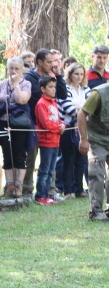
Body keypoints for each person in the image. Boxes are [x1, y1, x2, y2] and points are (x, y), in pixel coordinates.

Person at [22, 49, 68, 200]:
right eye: (49, 62)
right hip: (34, 124)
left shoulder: (51, 78)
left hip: (51, 128)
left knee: (49, 163)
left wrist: (59, 75)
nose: (52, 64)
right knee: (31, 159)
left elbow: (62, 94)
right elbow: (35, 97)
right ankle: (28, 190)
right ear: (40, 62)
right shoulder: (29, 77)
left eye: (53, 61)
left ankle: (51, 191)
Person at [0, 57, 32, 198]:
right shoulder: (1, 84)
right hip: (3, 122)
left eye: (16, 68)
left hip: (19, 124)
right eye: (11, 68)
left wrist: (16, 85)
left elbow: (21, 100)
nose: (13, 71)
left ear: (21, 70)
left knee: (19, 154)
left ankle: (18, 185)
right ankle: (9, 185)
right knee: (7, 154)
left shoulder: (26, 84)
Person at [78, 74, 109, 221]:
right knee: (97, 173)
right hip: (97, 138)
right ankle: (96, 211)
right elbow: (82, 114)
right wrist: (83, 139)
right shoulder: (99, 93)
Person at [58, 63, 90, 199]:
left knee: (81, 159)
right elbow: (69, 109)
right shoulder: (65, 89)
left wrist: (79, 109)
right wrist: (82, 110)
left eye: (81, 74)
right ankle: (68, 190)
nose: (79, 77)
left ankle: (79, 189)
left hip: (83, 128)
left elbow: (91, 110)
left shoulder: (86, 89)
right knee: (69, 160)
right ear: (70, 74)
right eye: (76, 74)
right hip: (68, 128)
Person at [34, 76, 65, 205]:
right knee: (45, 170)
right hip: (46, 141)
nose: (54, 89)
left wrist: (63, 124)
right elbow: (46, 123)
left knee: (51, 170)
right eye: (50, 87)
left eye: (54, 87)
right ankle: (40, 195)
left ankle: (47, 195)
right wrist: (58, 128)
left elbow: (58, 119)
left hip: (55, 140)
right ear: (43, 89)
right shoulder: (41, 104)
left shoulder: (53, 102)